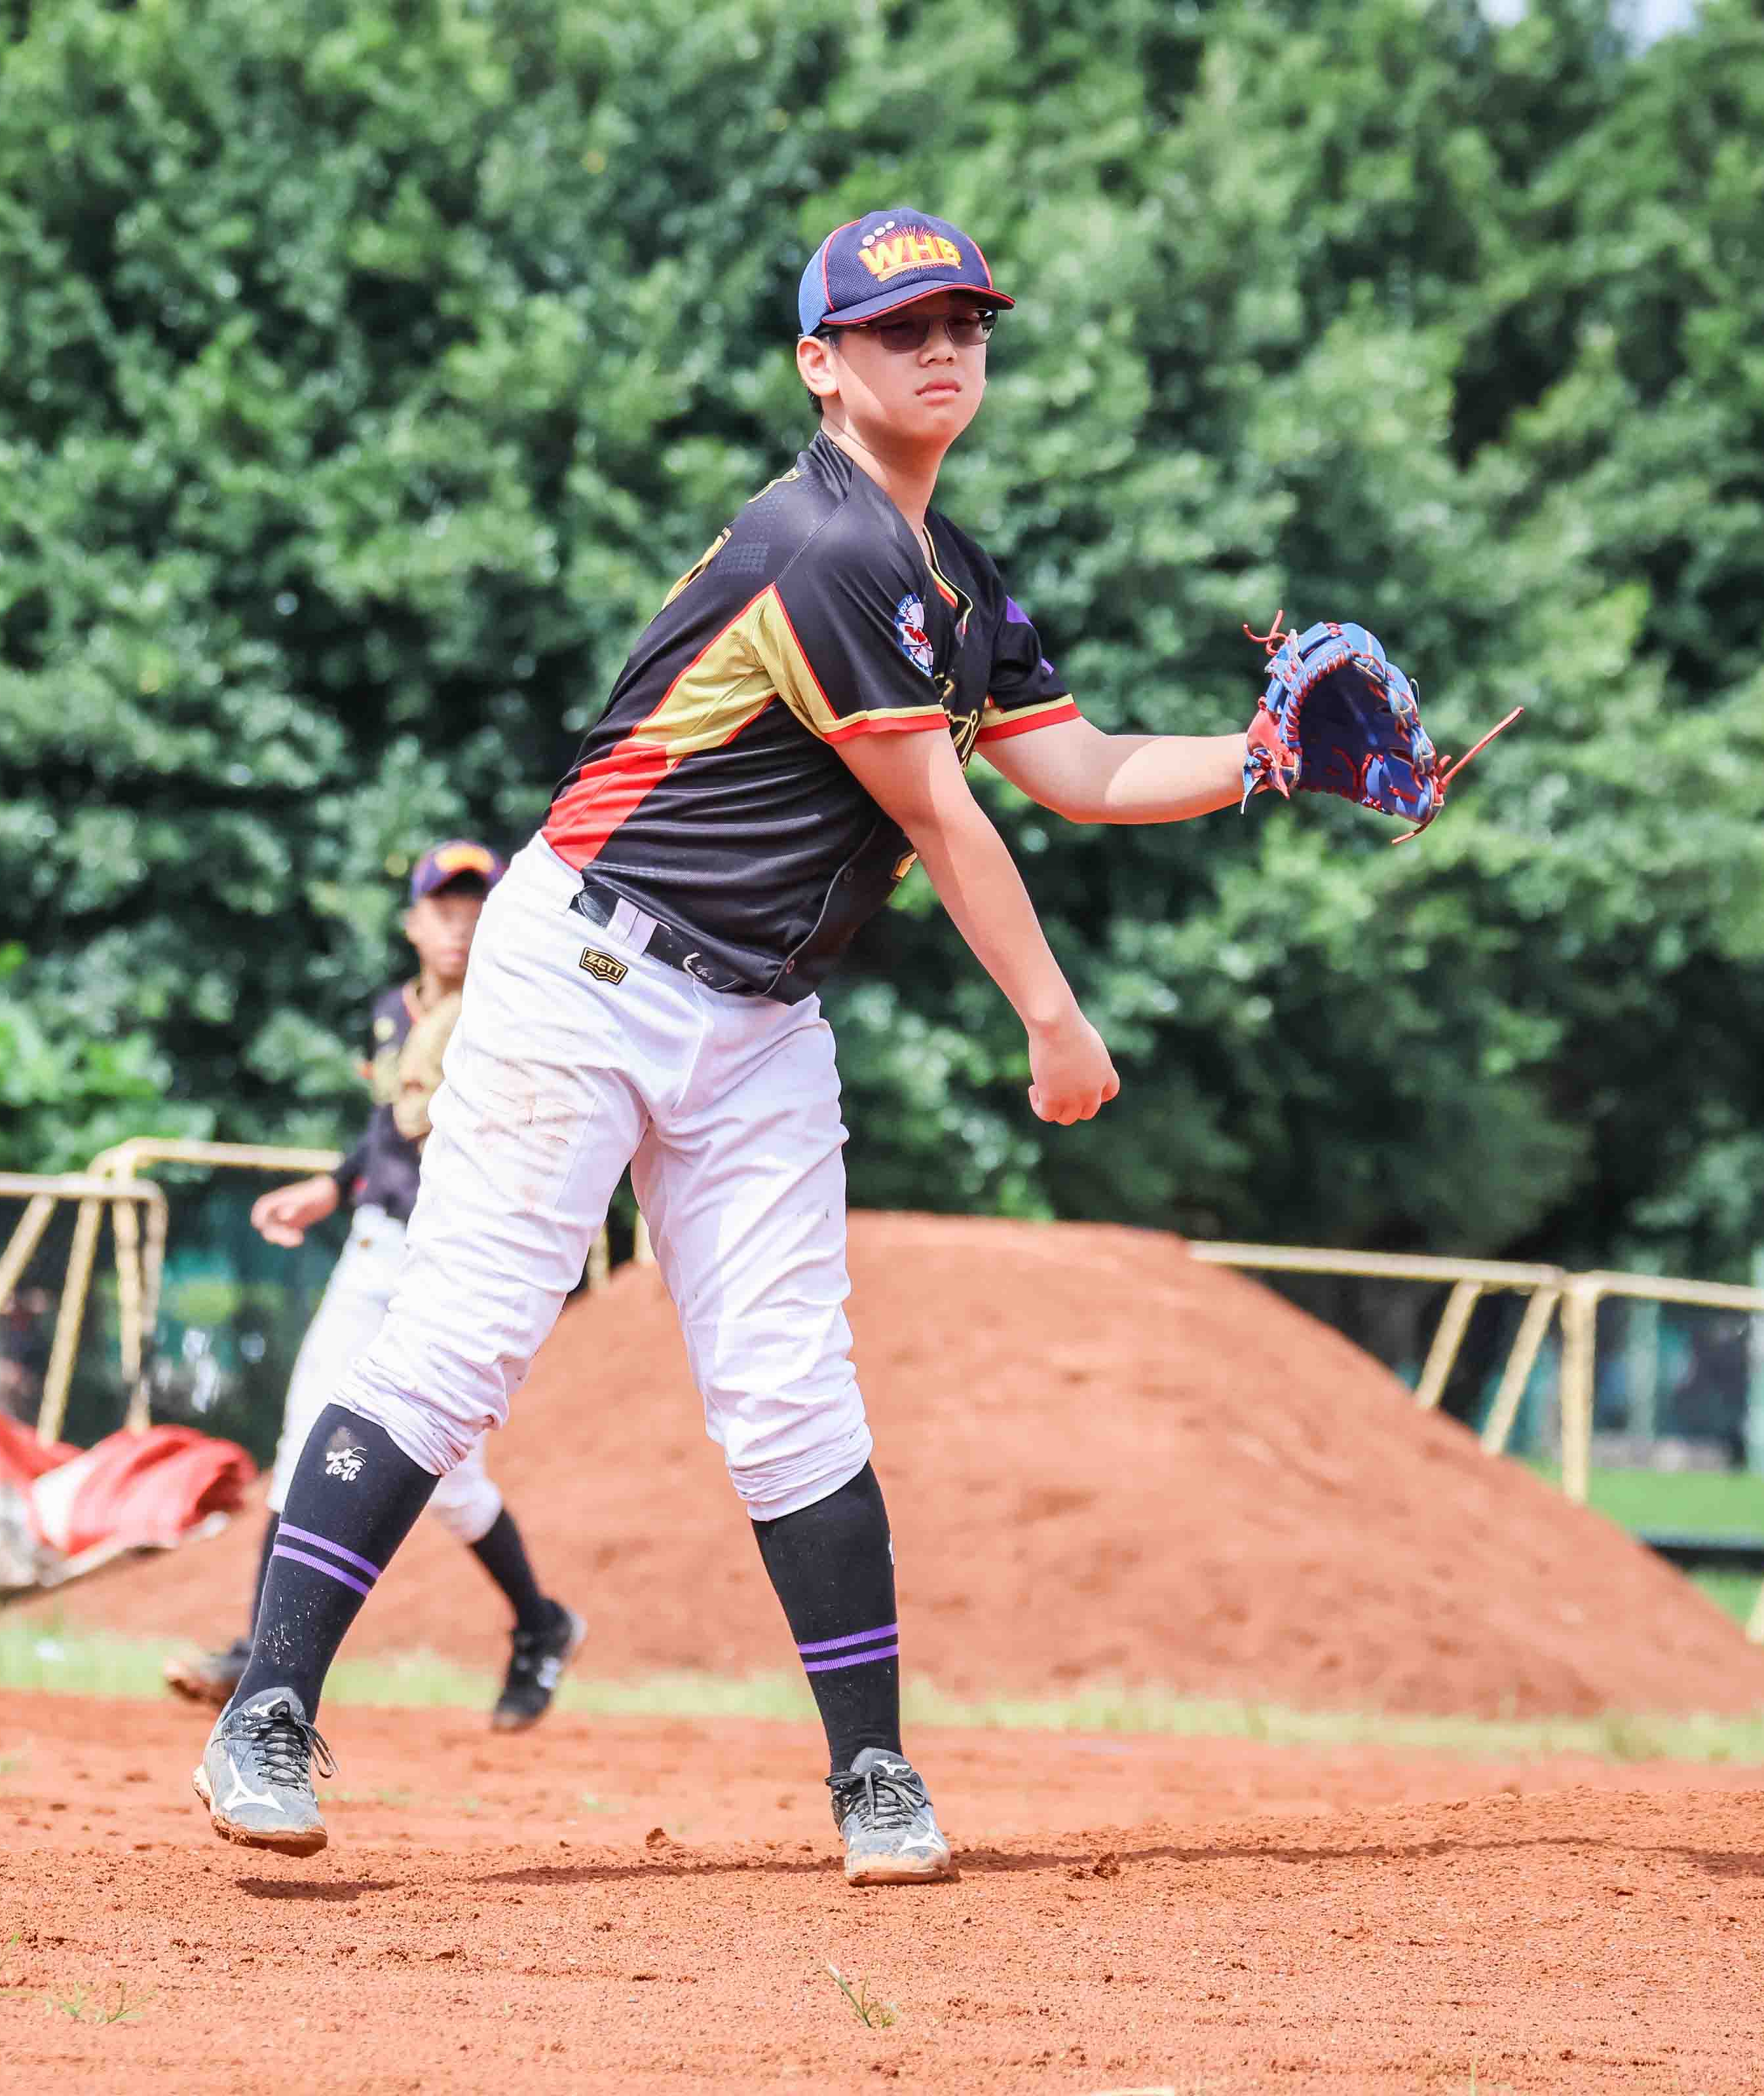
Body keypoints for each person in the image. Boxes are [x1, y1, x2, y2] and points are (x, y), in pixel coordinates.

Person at [189, 209, 1264, 1884]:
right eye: (901, 327)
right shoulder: (818, 542)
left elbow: (1084, 766)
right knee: (462, 1342)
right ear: (819, 365)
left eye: (967, 322)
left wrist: (1269, 755)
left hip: (757, 1014)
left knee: (789, 1390)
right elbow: (946, 813)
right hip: (589, 969)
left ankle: (876, 1776)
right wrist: (1053, 1019)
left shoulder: (956, 580)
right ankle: (266, 1707)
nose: (944, 348)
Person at [164, 839, 588, 1732]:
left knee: (451, 1481)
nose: (460, 924)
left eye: (477, 907)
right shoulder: (394, 1012)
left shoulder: (520, 1003)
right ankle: (261, 1652)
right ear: (412, 923)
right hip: (374, 1244)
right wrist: (331, 1186)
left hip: (461, 1252)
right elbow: (384, 1131)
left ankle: (540, 1623)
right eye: (444, 908)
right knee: (305, 1433)